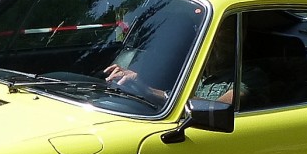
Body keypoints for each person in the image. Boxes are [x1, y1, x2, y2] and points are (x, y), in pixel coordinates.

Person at [104, 19, 266, 107]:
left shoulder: (249, 76)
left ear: (240, 37)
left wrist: (150, 91)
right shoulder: (190, 67)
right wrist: (128, 80)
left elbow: (217, 109)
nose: (212, 41)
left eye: (223, 34)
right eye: (205, 32)